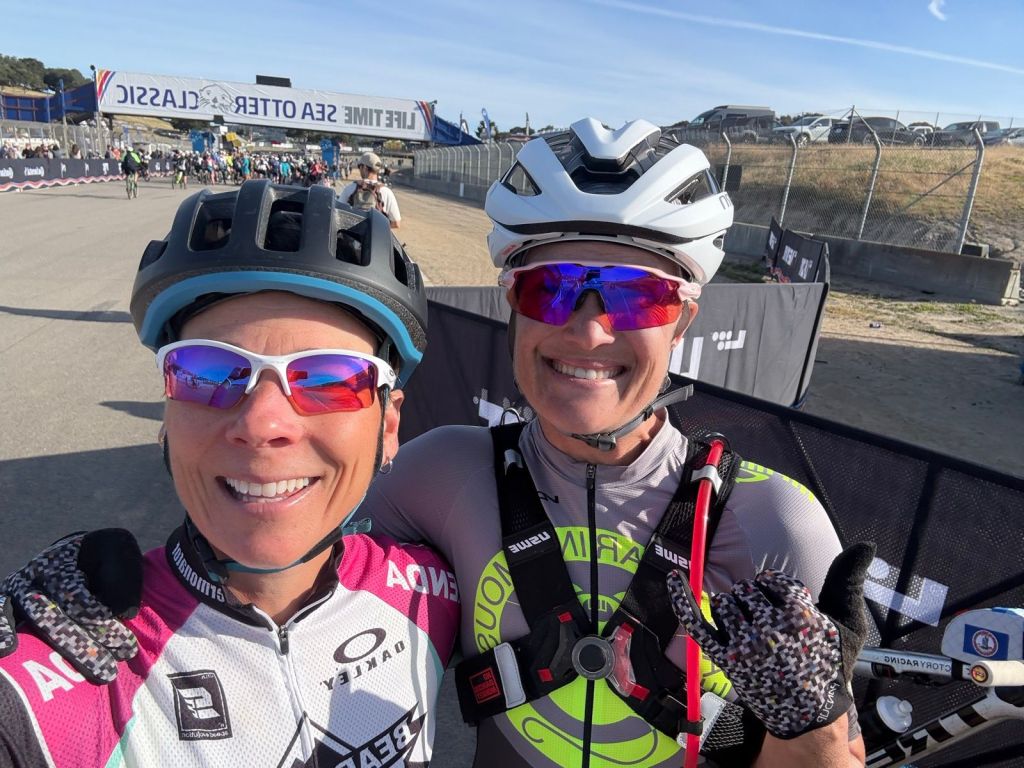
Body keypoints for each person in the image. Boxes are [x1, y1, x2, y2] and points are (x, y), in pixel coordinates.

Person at [1, 120, 869, 768]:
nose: (588, 329)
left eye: (637, 296)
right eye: (550, 287)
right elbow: (290, 548)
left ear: (684, 318)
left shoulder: (774, 523)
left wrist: (817, 722)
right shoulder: (442, 474)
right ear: (513, 305)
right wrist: (88, 611)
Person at [0, 180, 458, 766]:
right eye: (208, 371)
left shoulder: (436, 591)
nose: (262, 423)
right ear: (167, 414)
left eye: (329, 379)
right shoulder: (68, 668)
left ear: (388, 426)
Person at [340, 152, 401, 229]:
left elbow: (337, 213)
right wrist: (375, 228)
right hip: (377, 235)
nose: (359, 169)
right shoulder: (387, 192)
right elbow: (396, 223)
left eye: (359, 167)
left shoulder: (350, 188)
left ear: (365, 168)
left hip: (353, 234)